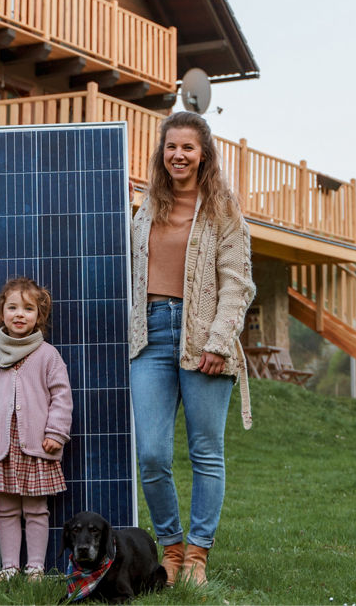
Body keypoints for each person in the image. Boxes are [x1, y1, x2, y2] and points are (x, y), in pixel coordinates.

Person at [128, 110, 256, 587]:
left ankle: (198, 556)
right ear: (162, 154)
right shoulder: (145, 210)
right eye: (171, 147)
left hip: (204, 338)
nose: (178, 155)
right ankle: (172, 547)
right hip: (150, 337)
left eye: (188, 147)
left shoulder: (224, 213)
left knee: (206, 451)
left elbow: (237, 285)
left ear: (203, 155)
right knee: (153, 454)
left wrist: (221, 341)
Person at [0, 278, 73, 583]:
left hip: (37, 446)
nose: (20, 314)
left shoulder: (47, 355)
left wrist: (56, 433)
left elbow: (61, 396)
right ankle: (9, 567)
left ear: (39, 316)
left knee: (35, 509)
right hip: (2, 447)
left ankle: (35, 567)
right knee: (6, 510)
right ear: (1, 312)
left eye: (28, 308)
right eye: (13, 307)